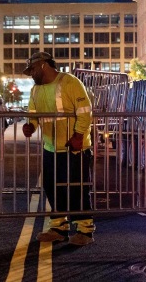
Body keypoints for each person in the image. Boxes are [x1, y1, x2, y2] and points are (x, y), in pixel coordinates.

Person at [21, 52, 95, 246]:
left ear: (44, 65)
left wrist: (78, 136)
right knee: (52, 187)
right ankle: (58, 227)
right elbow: (34, 114)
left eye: (33, 70)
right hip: (51, 147)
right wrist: (30, 125)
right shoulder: (35, 90)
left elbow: (85, 112)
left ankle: (85, 230)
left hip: (75, 147)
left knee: (78, 187)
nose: (31, 74)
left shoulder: (70, 82)